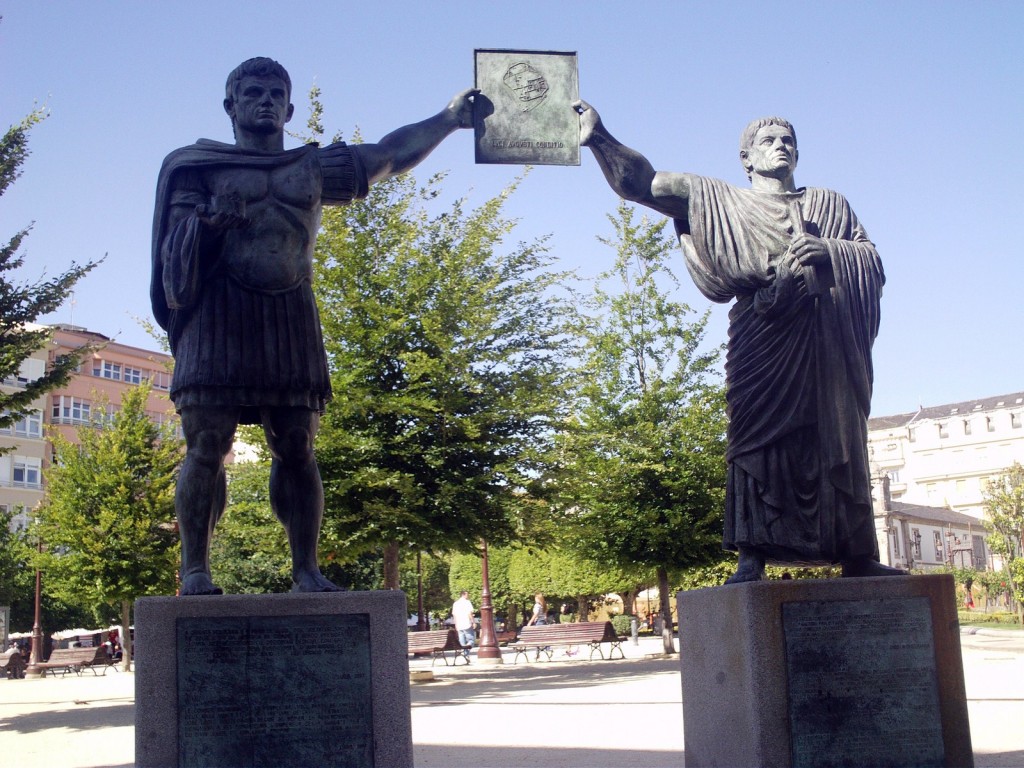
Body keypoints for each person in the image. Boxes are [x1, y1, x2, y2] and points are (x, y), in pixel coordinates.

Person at [151, 57, 476, 595]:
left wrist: (447, 119)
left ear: (290, 107)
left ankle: (306, 569)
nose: (267, 101)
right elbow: (174, 250)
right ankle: (194, 571)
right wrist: (210, 226)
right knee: (206, 443)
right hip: (220, 314)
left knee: (298, 443)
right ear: (231, 105)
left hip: (289, 311)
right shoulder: (198, 167)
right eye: (254, 92)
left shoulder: (312, 167)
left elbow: (389, 157)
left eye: (277, 93)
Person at [573, 101, 906, 584]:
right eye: (768, 141)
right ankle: (752, 554)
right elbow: (643, 185)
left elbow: (870, 261)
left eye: (788, 140)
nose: (781, 146)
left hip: (827, 345)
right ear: (746, 158)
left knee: (837, 436)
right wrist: (599, 137)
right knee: (756, 438)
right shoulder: (719, 200)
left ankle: (856, 554)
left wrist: (831, 252)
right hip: (763, 340)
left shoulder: (831, 204)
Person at [451, 590, 476, 659]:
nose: (468, 596)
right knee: (471, 640)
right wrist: (473, 622)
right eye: (467, 594)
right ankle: (466, 653)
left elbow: (454, 615)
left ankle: (466, 654)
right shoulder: (467, 602)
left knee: (462, 642)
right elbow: (469, 613)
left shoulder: (455, 604)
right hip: (466, 623)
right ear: (464, 595)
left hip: (459, 625)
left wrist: (456, 624)